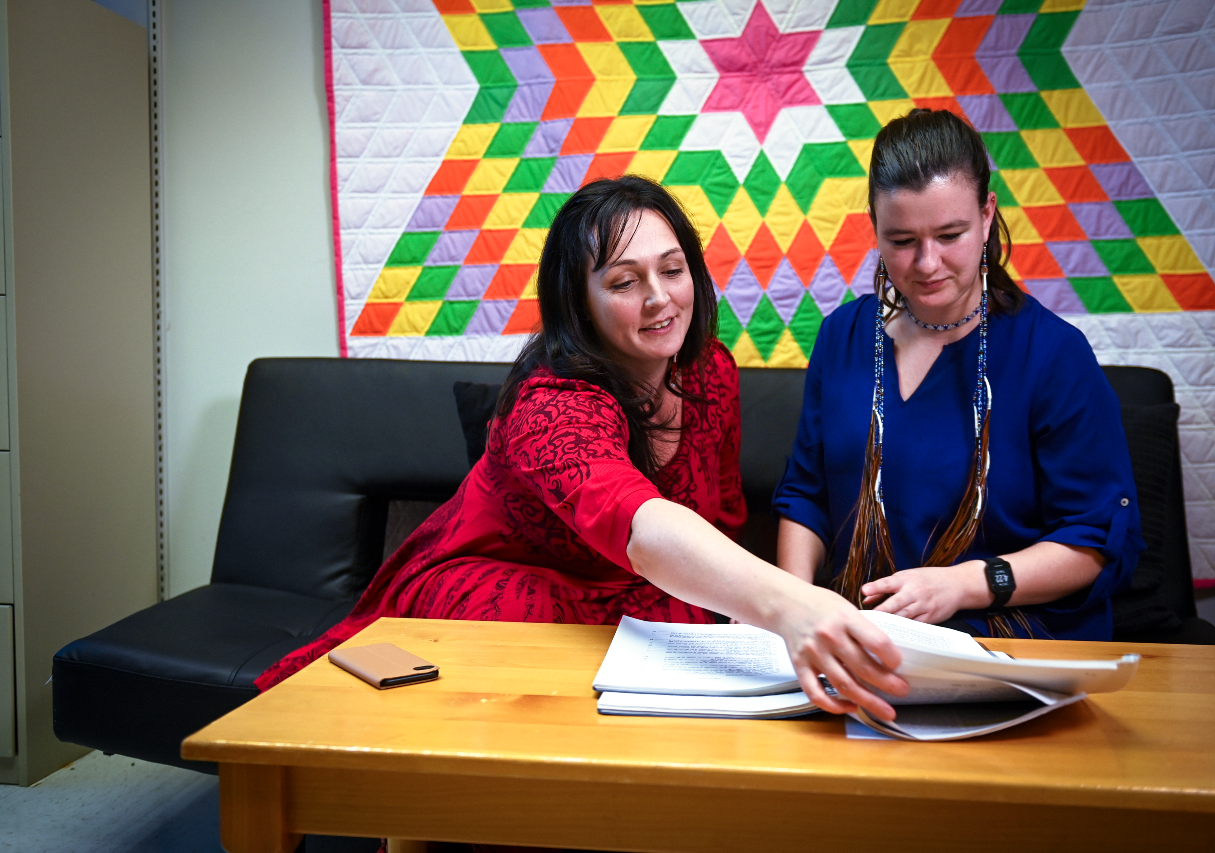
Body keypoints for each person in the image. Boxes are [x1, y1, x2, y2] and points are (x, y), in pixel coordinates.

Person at [256, 176, 910, 719]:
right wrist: (793, 604)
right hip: (504, 592)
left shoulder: (709, 370)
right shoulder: (550, 402)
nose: (659, 298)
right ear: (581, 301)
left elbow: (716, 516)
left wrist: (741, 614)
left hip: (644, 594)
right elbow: (637, 523)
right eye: (624, 282)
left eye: (673, 269)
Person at [773, 109, 1144, 640]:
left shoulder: (1054, 354)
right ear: (874, 228)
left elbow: (1094, 541)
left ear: (987, 214)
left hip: (1009, 643)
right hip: (865, 643)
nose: (927, 263)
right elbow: (805, 496)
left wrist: (967, 584)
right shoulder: (843, 337)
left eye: (950, 234)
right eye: (901, 241)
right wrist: (795, 607)